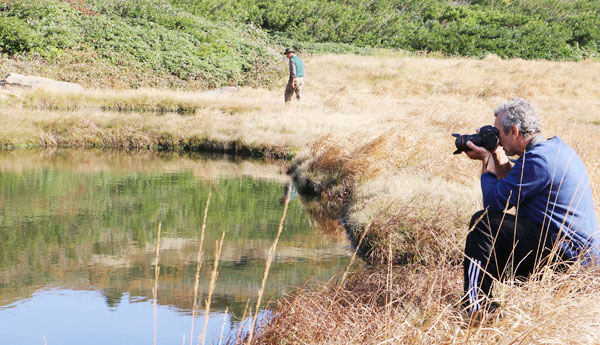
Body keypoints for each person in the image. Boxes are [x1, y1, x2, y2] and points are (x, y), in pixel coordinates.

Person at [460, 97, 599, 314]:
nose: (497, 138)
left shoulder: (539, 161)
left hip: (568, 262)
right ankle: (482, 300)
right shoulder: (553, 149)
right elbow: (512, 186)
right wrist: (497, 153)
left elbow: (494, 204)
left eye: (499, 133)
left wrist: (486, 160)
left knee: (483, 222)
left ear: (514, 131)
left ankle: (475, 306)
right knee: (494, 229)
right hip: (578, 257)